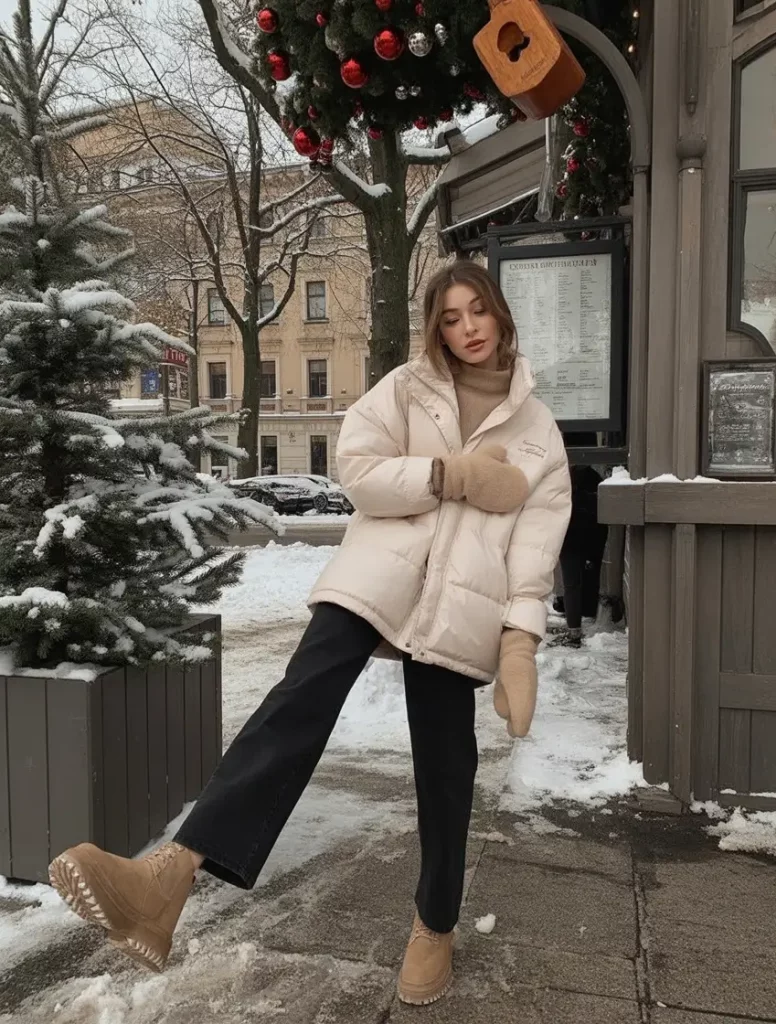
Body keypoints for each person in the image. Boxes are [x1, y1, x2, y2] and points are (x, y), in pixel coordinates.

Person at [48, 262, 571, 1006]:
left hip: (464, 603)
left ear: (500, 313)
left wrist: (520, 641)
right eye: (451, 318)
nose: (467, 329)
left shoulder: (538, 429)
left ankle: (435, 923)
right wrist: (448, 474)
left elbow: (535, 545)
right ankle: (168, 878)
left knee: (446, 765)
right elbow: (357, 472)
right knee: (298, 698)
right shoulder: (406, 389)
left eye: (477, 311)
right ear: (436, 328)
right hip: (378, 572)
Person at [552, 443, 608, 648]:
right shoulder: (595, 479)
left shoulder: (566, 479)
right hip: (591, 537)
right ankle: (582, 619)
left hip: (570, 537)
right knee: (584, 580)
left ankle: (574, 628)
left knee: (571, 584)